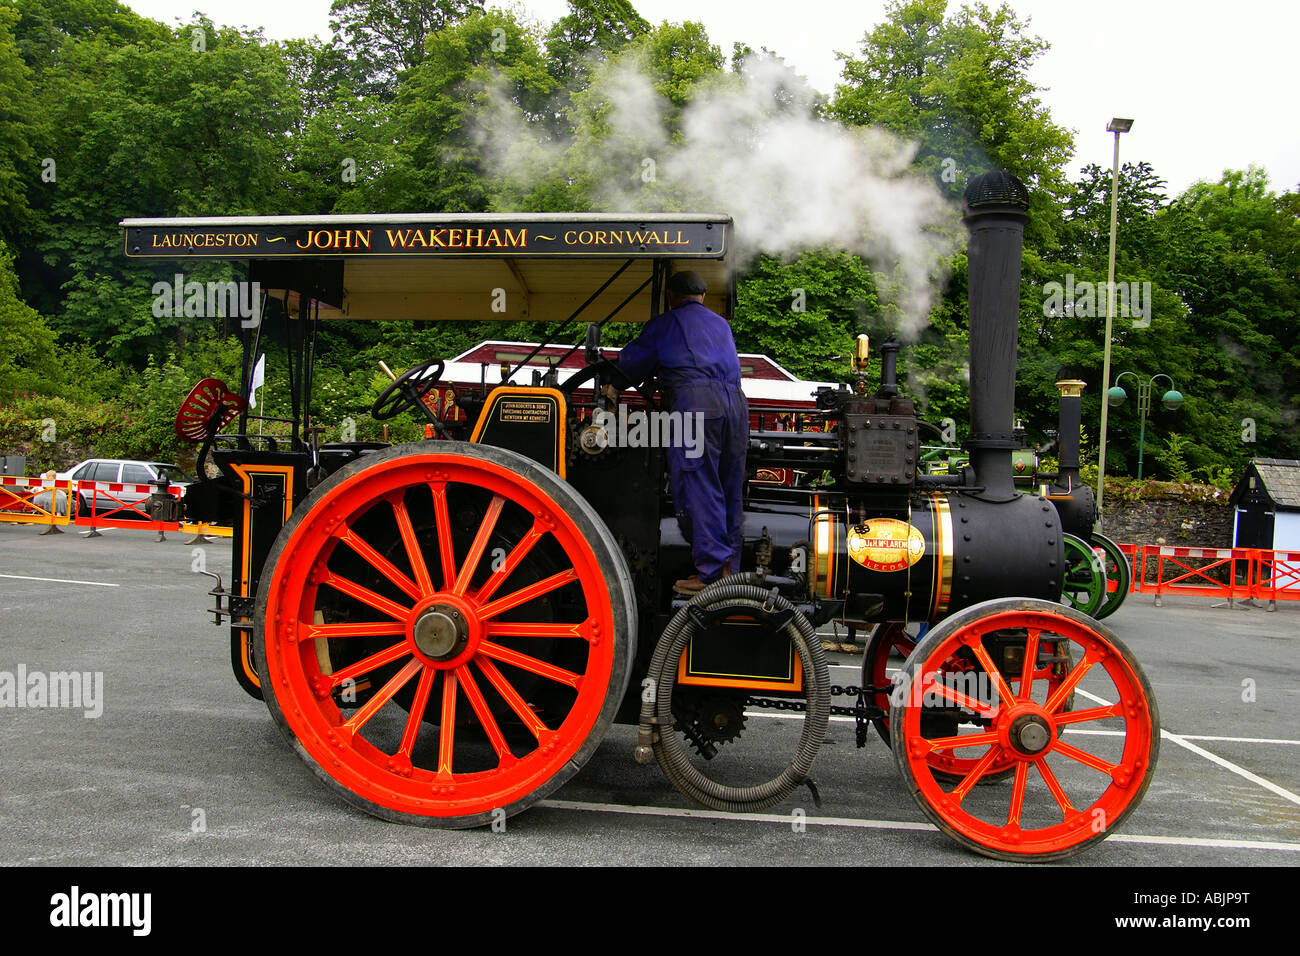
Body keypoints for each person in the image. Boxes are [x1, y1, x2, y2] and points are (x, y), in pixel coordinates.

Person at [614, 270, 749, 593]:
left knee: (698, 482)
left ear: (670, 297)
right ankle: (730, 568)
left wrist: (612, 384)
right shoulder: (722, 325)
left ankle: (710, 573)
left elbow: (631, 364)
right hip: (736, 405)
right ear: (702, 296)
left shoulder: (667, 323)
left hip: (697, 404)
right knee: (730, 486)